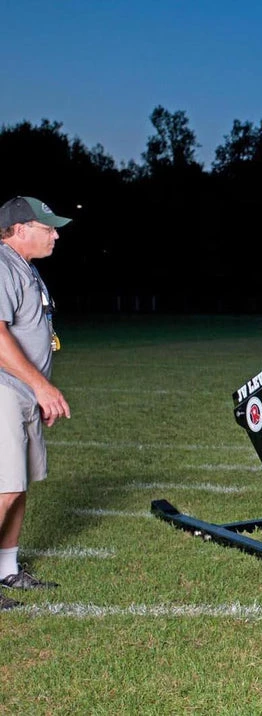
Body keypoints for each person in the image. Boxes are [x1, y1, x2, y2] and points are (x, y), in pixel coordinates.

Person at [0, 196, 71, 611]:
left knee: (19, 484)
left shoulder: (26, 268)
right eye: (48, 228)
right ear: (22, 229)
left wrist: (39, 389)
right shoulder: (3, 265)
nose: (56, 234)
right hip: (7, 390)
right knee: (5, 487)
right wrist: (40, 387)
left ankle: (7, 567)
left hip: (24, 391)